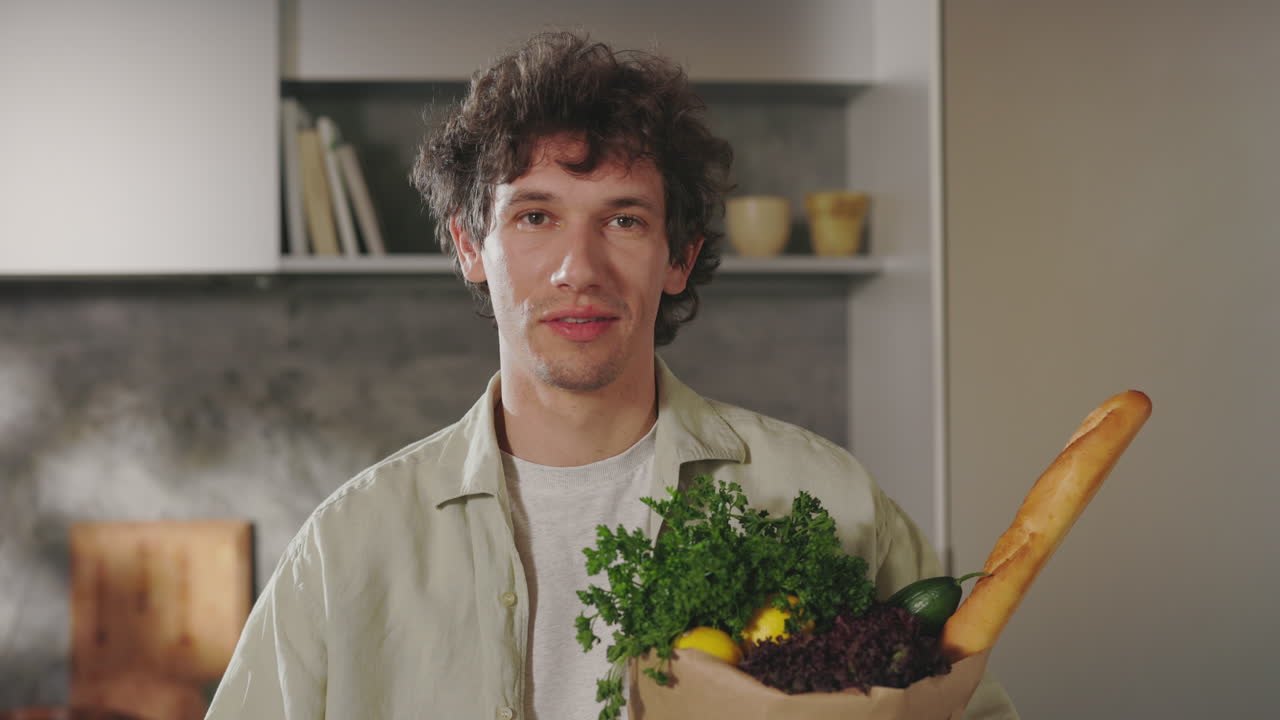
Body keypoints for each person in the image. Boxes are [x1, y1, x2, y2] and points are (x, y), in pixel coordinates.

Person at [206, 31, 1018, 720]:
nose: (577, 268)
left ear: (679, 256)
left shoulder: (835, 502)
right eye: (534, 216)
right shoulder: (349, 545)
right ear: (467, 248)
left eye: (623, 220)